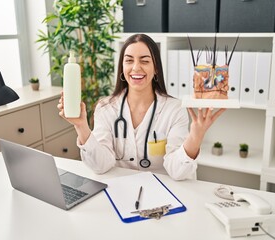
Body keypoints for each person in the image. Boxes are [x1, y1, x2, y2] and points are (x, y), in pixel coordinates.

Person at [57, 33, 225, 180]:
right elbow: (101, 166)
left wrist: (196, 136)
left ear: (156, 68)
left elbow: (177, 171)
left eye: (145, 61)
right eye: (129, 60)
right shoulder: (106, 107)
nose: (136, 67)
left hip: (163, 196)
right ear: (122, 68)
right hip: (121, 191)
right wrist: (81, 126)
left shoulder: (174, 109)